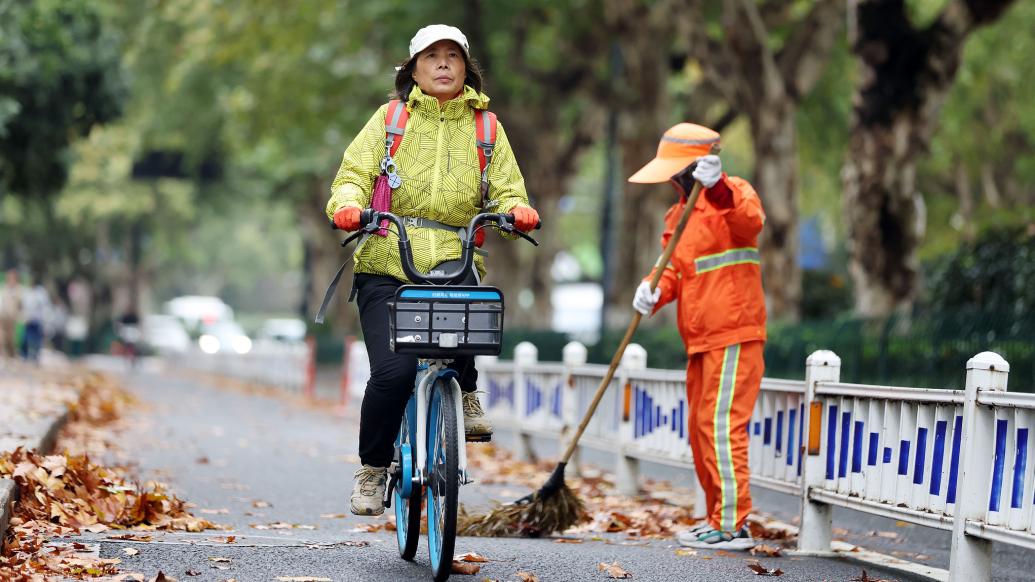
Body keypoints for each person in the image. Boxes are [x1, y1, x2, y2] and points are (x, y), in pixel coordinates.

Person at [325, 24, 540, 516]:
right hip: (386, 256)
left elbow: (508, 186)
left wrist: (516, 209)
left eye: (453, 56)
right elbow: (353, 176)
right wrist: (349, 206)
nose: (443, 64)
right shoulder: (390, 119)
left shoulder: (487, 127)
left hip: (455, 250)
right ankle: (372, 470)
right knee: (393, 373)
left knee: (470, 311)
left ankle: (464, 390)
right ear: (413, 70)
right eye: (432, 57)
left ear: (467, 67)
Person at [628, 123, 766, 550]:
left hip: (733, 333)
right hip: (701, 338)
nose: (670, 179)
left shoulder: (734, 194)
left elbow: (750, 222)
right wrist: (653, 288)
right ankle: (716, 517)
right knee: (701, 427)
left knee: (721, 427)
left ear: (691, 168)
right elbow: (672, 267)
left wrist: (720, 187)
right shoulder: (678, 214)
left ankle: (732, 523)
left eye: (674, 172)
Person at [0, 269, 22, 359]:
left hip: (11, 316)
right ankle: (2, 353)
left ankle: (11, 354)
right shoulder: (4, 288)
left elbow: (20, 304)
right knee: (1, 334)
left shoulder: (18, 289)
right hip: (2, 315)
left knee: (11, 337)